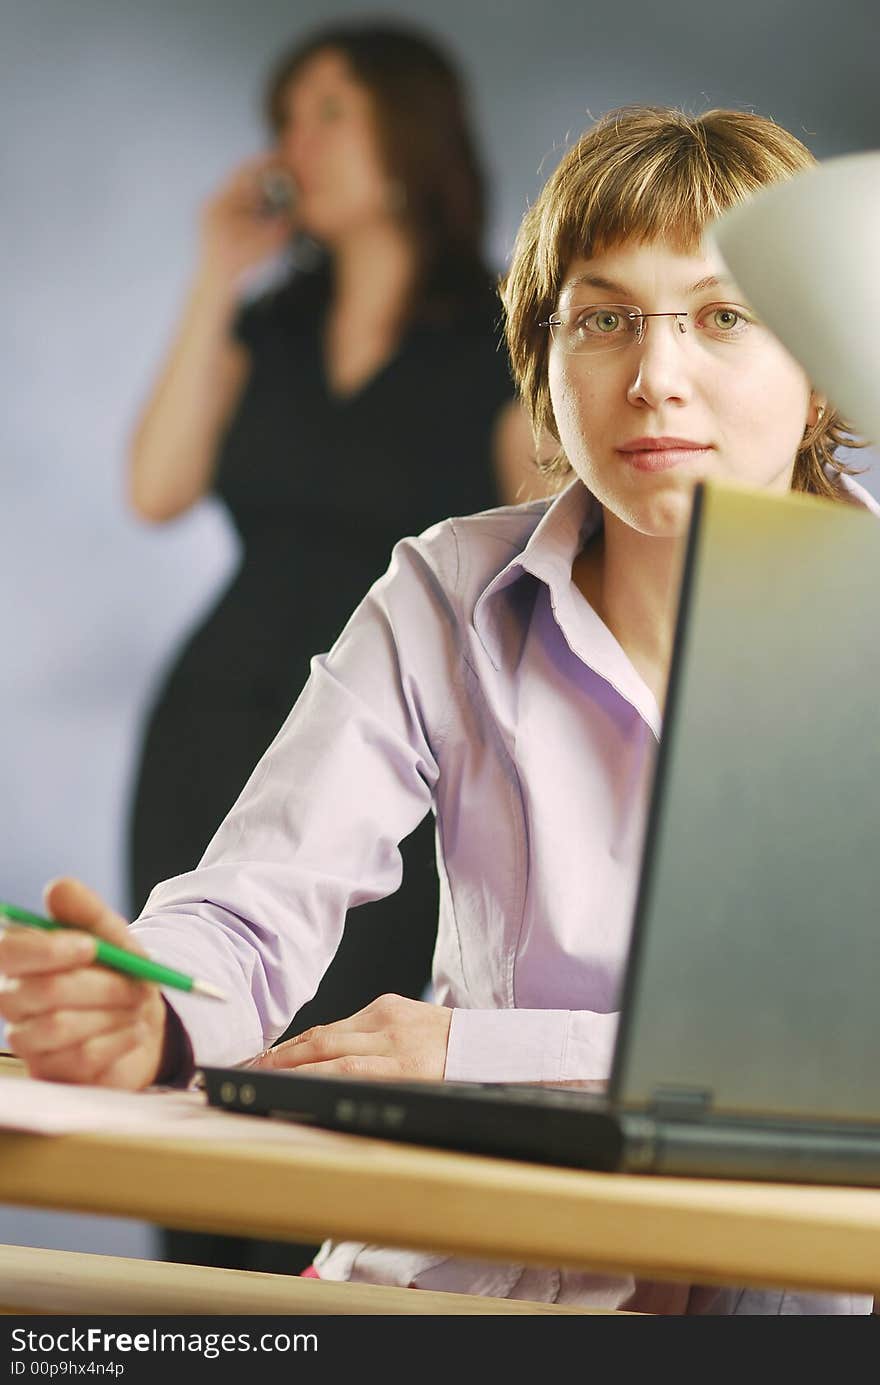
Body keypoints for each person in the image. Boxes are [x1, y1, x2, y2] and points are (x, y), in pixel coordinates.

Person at [1, 104, 874, 1314]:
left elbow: (831, 1066)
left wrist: (471, 1056)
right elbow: (255, 905)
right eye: (601, 317)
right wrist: (147, 1003)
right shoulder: (448, 586)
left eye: (723, 316)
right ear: (542, 355)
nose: (654, 374)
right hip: (474, 1273)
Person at [125, 21, 547, 1273]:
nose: (291, 144)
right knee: (192, 1032)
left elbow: (545, 530)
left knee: (335, 1071)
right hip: (214, 725)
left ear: (407, 138)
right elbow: (156, 485)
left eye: (326, 114)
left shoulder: (498, 334)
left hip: (399, 752)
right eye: (285, 115)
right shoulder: (273, 321)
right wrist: (215, 272)